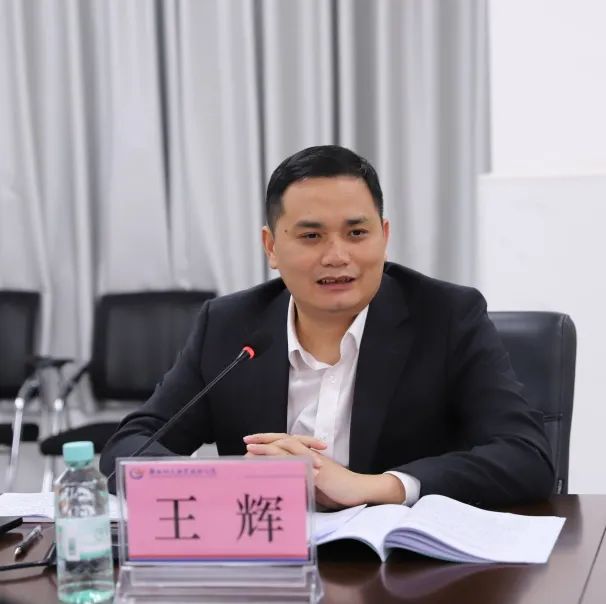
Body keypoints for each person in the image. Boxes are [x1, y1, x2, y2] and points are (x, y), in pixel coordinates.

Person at [100, 145, 554, 508]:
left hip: (405, 572)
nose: (337, 256)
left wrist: (375, 486)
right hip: (270, 567)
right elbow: (129, 447)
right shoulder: (228, 326)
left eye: (357, 233)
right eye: (311, 236)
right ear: (271, 247)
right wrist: (236, 481)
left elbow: (526, 457)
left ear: (384, 236)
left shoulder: (447, 316)